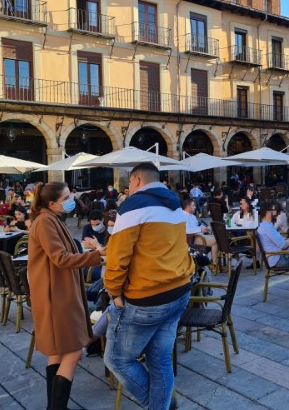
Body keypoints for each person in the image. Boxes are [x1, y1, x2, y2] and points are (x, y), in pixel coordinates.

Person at [103, 163, 195, 409]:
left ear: (135, 181)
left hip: (148, 296)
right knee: (160, 360)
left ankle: (160, 405)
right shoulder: (175, 202)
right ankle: (163, 404)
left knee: (117, 359)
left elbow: (117, 256)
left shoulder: (133, 206)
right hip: (179, 290)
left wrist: (114, 293)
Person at [28, 181, 105, 410]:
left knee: (57, 352)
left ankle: (54, 406)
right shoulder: (44, 223)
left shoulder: (49, 219)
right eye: (66, 198)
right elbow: (60, 258)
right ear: (52, 203)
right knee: (72, 352)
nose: (71, 201)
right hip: (56, 297)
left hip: (56, 293)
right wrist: (97, 255)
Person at [182, 199, 218, 268]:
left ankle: (214, 261)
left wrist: (205, 228)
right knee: (216, 241)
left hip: (198, 236)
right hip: (193, 239)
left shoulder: (192, 216)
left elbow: (197, 225)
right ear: (188, 207)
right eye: (193, 205)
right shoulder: (183, 216)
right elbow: (185, 230)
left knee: (218, 237)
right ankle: (214, 264)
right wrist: (201, 229)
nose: (195, 207)